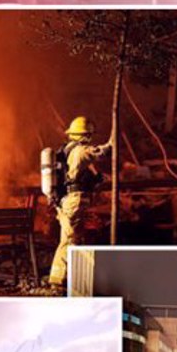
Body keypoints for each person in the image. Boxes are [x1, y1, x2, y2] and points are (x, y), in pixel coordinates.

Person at [47, 116, 112, 286]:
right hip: (73, 200)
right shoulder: (81, 151)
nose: (91, 139)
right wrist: (113, 137)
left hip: (65, 200)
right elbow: (105, 151)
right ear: (85, 135)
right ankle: (57, 280)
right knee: (70, 239)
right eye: (89, 135)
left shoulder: (67, 150)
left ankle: (67, 277)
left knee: (72, 236)